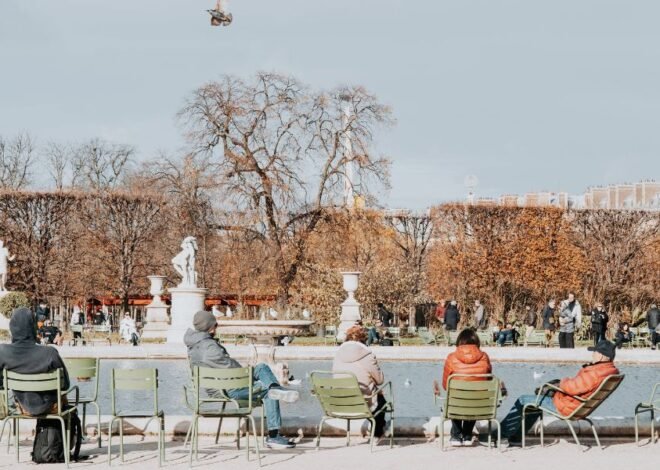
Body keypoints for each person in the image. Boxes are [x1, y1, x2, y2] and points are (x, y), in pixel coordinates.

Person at [184, 310, 299, 449]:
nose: (216, 327)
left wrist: (247, 370)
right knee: (270, 391)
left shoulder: (194, 345)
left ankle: (277, 389)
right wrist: (246, 371)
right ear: (209, 326)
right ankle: (274, 436)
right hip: (228, 389)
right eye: (215, 324)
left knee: (261, 367)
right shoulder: (210, 347)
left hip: (218, 385)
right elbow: (233, 370)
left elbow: (227, 368)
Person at [497, 339, 619, 445]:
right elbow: (580, 387)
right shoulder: (608, 371)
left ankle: (500, 434)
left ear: (602, 356)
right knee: (535, 402)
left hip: (566, 407)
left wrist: (561, 382)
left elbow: (574, 387)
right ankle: (516, 438)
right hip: (577, 405)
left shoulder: (595, 372)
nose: (593, 355)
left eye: (595, 352)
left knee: (523, 399)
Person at [0, 307, 71, 415]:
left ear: (12, 327)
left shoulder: (3, 352)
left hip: (22, 408)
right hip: (52, 408)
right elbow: (65, 384)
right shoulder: (50, 353)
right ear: (33, 327)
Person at [435, 328, 492, 446]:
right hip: (478, 404)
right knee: (474, 395)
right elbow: (488, 380)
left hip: (456, 404)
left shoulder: (451, 357)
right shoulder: (484, 357)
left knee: (455, 396)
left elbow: (446, 386)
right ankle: (467, 435)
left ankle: (456, 435)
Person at [333, 325, 387, 439]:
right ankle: (377, 432)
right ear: (364, 339)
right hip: (363, 402)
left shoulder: (338, 354)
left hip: (340, 402)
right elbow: (380, 380)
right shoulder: (367, 355)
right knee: (381, 400)